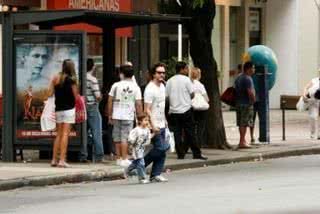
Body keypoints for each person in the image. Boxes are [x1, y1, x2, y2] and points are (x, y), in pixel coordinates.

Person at [166, 61, 207, 160]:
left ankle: (180, 153)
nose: (188, 70)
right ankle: (196, 153)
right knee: (190, 132)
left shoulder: (170, 81)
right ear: (182, 69)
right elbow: (192, 94)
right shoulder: (186, 80)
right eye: (186, 68)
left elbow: (167, 97)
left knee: (177, 133)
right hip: (186, 109)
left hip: (174, 111)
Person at [108, 64, 143, 167]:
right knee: (125, 137)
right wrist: (140, 116)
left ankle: (118, 158)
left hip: (116, 114)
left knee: (117, 137)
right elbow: (138, 103)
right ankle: (124, 158)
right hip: (128, 115)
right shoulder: (135, 87)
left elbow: (110, 100)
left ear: (121, 74)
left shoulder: (115, 85)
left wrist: (110, 115)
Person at [48, 59, 78, 168]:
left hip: (58, 109)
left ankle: (53, 160)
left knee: (58, 135)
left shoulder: (56, 78)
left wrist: (51, 82)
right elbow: (76, 97)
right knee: (65, 134)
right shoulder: (72, 80)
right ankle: (62, 160)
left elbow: (50, 93)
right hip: (69, 109)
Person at [144, 62, 170, 182]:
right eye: (159, 73)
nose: (162, 75)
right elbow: (147, 109)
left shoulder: (162, 86)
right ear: (153, 74)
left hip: (162, 122)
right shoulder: (150, 89)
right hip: (153, 124)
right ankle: (139, 165)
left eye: (163, 73)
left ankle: (156, 174)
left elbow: (162, 106)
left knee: (162, 150)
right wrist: (152, 125)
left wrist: (165, 120)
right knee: (161, 147)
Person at [80, 58, 105, 162]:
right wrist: (101, 97)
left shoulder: (80, 77)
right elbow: (98, 96)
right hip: (92, 106)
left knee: (83, 132)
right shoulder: (92, 79)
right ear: (93, 67)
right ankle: (99, 155)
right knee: (96, 131)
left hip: (81, 107)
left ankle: (83, 155)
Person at [125, 113, 153, 184]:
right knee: (141, 163)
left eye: (148, 120)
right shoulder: (136, 130)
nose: (147, 122)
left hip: (142, 149)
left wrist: (154, 133)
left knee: (137, 162)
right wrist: (130, 146)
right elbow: (130, 139)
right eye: (145, 120)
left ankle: (128, 170)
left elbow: (148, 138)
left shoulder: (147, 130)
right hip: (136, 148)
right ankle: (142, 178)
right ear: (140, 121)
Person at [234, 61, 256, 149]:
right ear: (249, 69)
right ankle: (242, 142)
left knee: (240, 123)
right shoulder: (248, 78)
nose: (254, 69)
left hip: (238, 102)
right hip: (246, 103)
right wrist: (253, 100)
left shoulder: (238, 77)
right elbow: (250, 92)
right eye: (253, 68)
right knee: (244, 123)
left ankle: (242, 140)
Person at [190, 67, 209, 147]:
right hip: (201, 109)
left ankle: (190, 143)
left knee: (192, 127)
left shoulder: (189, 84)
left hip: (191, 108)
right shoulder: (201, 85)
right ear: (199, 75)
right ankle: (198, 144)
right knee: (200, 127)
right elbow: (207, 99)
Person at [303, 75, 320, 139]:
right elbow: (306, 87)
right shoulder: (314, 80)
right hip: (313, 101)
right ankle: (313, 133)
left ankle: (319, 134)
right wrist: (304, 94)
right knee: (313, 116)